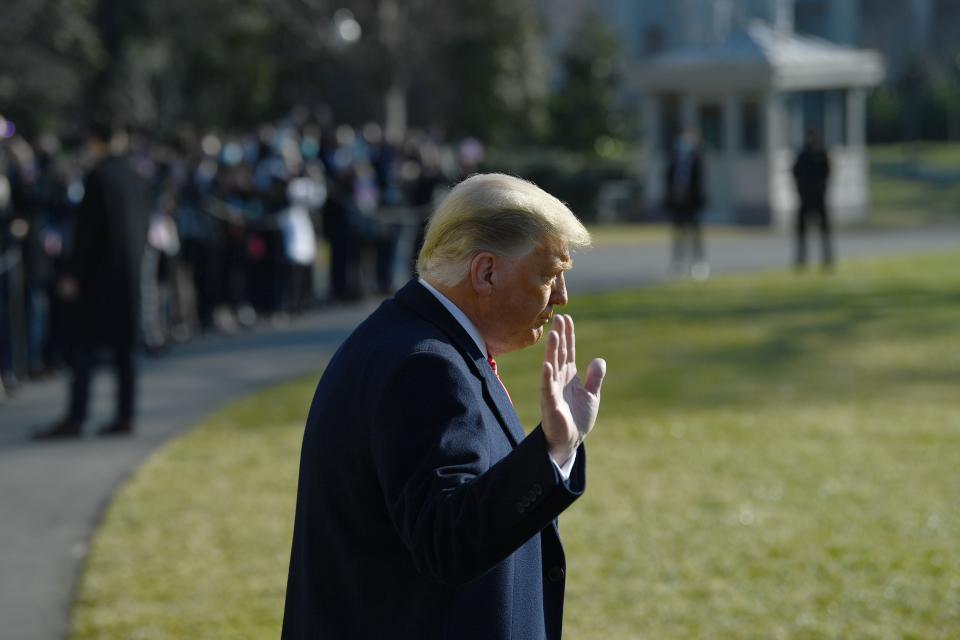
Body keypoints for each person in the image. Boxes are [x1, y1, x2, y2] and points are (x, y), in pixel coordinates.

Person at [282, 173, 607, 639]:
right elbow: (447, 542)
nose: (561, 296)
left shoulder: (415, 340)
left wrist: (559, 448)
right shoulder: (426, 368)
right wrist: (553, 449)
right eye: (549, 276)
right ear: (486, 272)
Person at [33, 121, 149, 439]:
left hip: (97, 279)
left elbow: (87, 233)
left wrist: (73, 273)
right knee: (125, 350)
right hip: (129, 276)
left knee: (83, 348)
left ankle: (76, 416)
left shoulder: (99, 178)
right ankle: (125, 414)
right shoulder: (137, 177)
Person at [664, 128, 709, 280]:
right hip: (677, 204)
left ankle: (698, 263)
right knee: (678, 234)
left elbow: (699, 183)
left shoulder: (696, 159)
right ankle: (678, 263)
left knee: (695, 234)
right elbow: (669, 179)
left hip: (692, 203)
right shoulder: (674, 158)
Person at [792, 128, 833, 270]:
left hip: (819, 196)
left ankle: (827, 259)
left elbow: (827, 173)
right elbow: (795, 172)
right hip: (805, 197)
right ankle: (801, 260)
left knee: (825, 230)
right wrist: (800, 189)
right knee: (801, 231)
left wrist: (822, 187)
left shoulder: (822, 154)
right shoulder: (803, 155)